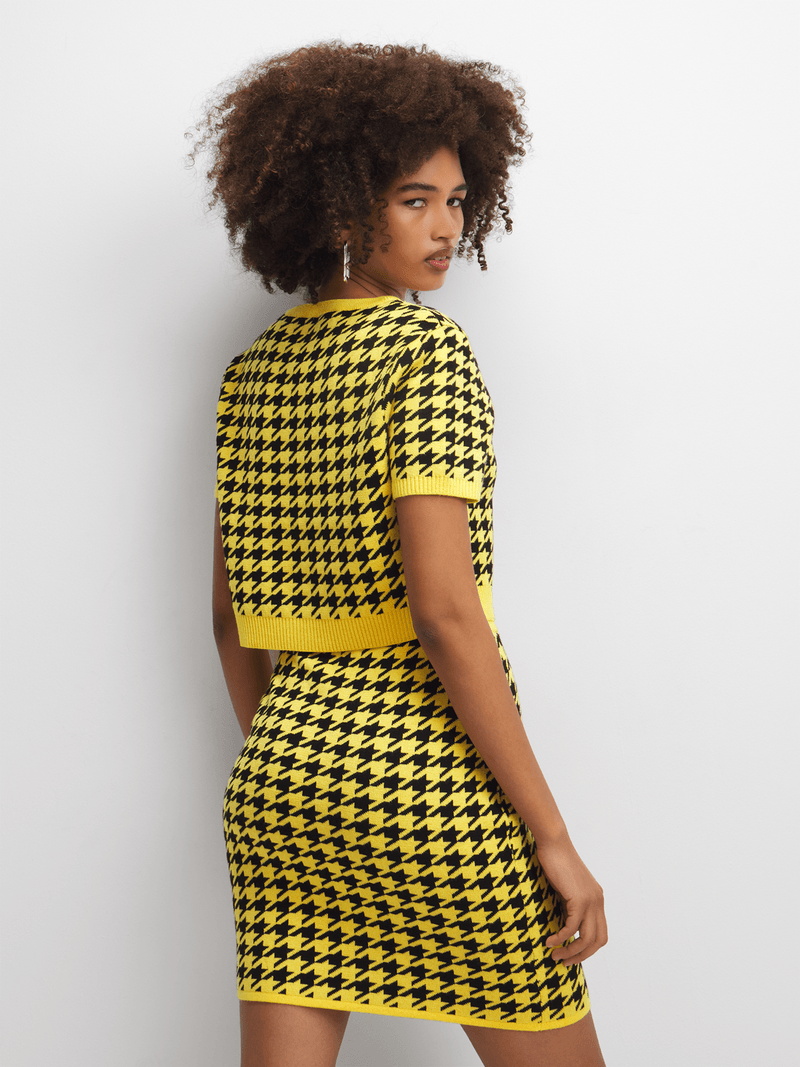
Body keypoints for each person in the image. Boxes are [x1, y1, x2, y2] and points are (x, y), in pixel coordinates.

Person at [194, 42, 608, 1067]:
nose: (446, 227)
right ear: (339, 208)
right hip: (426, 776)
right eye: (413, 200)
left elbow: (230, 621)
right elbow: (444, 613)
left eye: (456, 200)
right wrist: (552, 836)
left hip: (284, 783)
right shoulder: (427, 352)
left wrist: (301, 749)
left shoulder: (252, 374)